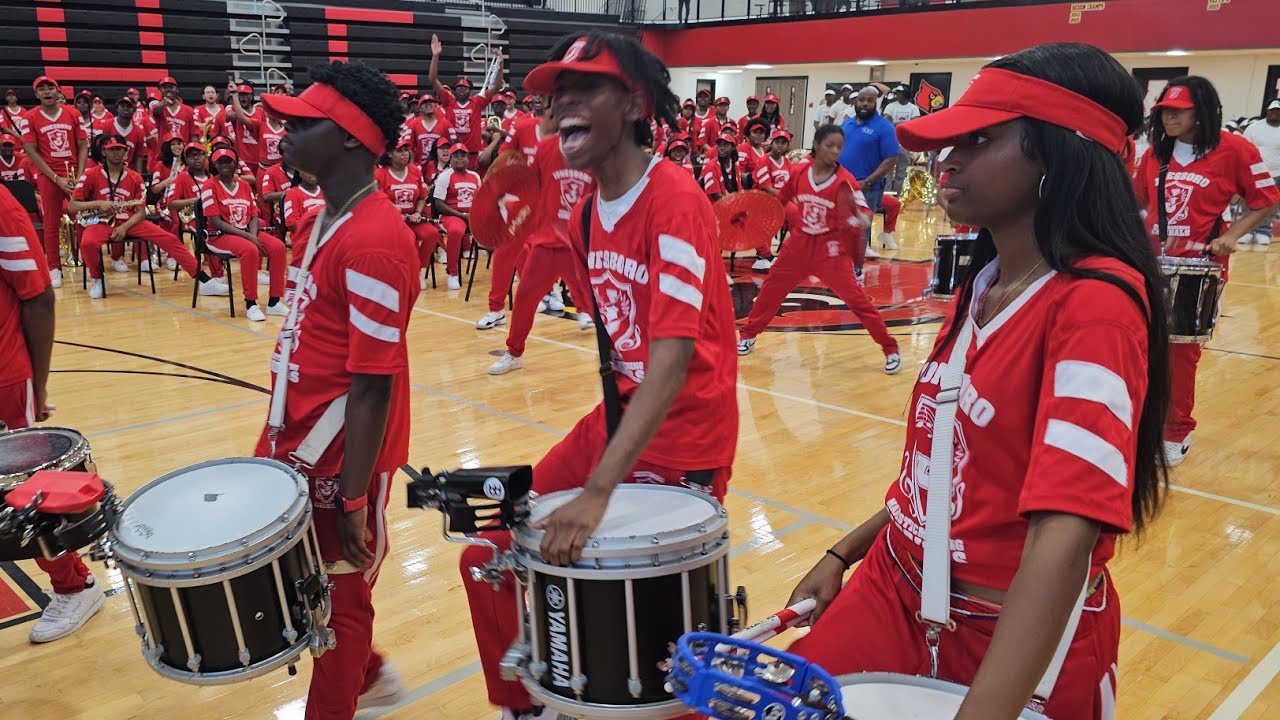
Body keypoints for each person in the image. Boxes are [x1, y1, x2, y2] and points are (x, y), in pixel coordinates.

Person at [781, 43, 1174, 720]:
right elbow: (947, 472)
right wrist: (844, 551)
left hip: (1008, 639)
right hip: (892, 586)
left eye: (980, 138)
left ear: (1058, 153)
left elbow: (1066, 530)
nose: (946, 157)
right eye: (949, 140)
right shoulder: (986, 282)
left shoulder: (1096, 303)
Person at [460, 31, 738, 720]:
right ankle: (521, 704)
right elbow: (620, 345)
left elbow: (670, 361)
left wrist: (597, 490)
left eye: (585, 89)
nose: (562, 105)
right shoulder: (586, 214)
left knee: (658, 637)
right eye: (558, 94)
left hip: (687, 437)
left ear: (635, 102)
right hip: (617, 420)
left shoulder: (673, 200)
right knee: (487, 552)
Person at [255, 58, 419, 720]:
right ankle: (371, 674)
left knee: (340, 604)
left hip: (342, 455)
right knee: (299, 579)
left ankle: (349, 688)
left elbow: (373, 384)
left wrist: (354, 495)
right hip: (294, 435)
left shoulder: (377, 239)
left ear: (351, 137)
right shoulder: (320, 217)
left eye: (302, 123)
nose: (282, 132)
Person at [1134, 77, 1280, 466]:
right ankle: (1142, 424)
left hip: (1199, 271)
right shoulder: (1154, 155)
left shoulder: (1235, 149)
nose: (1169, 117)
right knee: (1139, 348)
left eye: (1178, 111)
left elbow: (1266, 200)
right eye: (1164, 110)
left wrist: (1232, 235)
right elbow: (1137, 202)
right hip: (1150, 267)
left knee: (1181, 355)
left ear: (1202, 112)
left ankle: (1175, 431)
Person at [0, 183, 108, 643]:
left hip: (4, 373)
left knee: (23, 491)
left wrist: (37, 385)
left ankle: (75, 585)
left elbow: (40, 296)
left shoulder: (2, 207)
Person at [736, 124, 901, 371]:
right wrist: (757, 218)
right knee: (771, 289)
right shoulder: (800, 172)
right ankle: (748, 335)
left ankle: (890, 348)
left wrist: (861, 218)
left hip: (830, 248)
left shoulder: (845, 181)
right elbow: (779, 201)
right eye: (829, 145)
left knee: (856, 300)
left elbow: (864, 211)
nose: (835, 151)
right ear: (816, 145)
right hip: (800, 244)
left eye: (839, 147)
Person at [485, 132, 596, 375]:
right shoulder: (547, 147)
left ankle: (620, 357)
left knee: (599, 304)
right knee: (524, 298)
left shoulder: (597, 148)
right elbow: (529, 184)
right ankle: (514, 354)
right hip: (546, 242)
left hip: (577, 243)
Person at [70, 135, 226, 299]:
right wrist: (97, 203)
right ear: (104, 152)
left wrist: (124, 227)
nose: (116, 153)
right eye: (112, 149)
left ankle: (205, 281)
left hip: (130, 222)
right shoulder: (90, 174)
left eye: (120, 149)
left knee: (170, 239)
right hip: (101, 222)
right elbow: (74, 206)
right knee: (87, 243)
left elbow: (141, 212)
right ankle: (97, 279)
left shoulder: (135, 177)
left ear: (126, 152)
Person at [200, 147, 288, 321]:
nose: (224, 165)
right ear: (214, 165)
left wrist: (253, 235)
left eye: (228, 161)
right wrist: (249, 238)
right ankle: (251, 303)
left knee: (278, 247)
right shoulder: (209, 186)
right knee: (250, 250)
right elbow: (216, 221)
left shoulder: (245, 185)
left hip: (246, 233)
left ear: (235, 163)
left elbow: (253, 216)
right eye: (220, 161)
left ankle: (274, 302)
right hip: (218, 235)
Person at [21, 74, 88, 288]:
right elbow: (31, 151)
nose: (47, 92)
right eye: (42, 89)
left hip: (73, 174)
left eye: (51, 87)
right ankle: (54, 268)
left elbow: (83, 145)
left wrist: (80, 174)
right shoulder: (29, 117)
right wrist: (56, 178)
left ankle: (89, 262)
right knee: (51, 223)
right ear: (36, 94)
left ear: (58, 91)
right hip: (49, 176)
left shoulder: (73, 113)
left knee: (83, 219)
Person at [839, 84, 899, 276]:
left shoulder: (884, 127)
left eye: (869, 100)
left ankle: (855, 270)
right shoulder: (846, 124)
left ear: (876, 103)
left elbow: (891, 159)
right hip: (840, 185)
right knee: (838, 226)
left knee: (860, 229)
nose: (865, 104)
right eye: (861, 100)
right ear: (855, 101)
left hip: (868, 188)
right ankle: (836, 267)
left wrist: (868, 181)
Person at [429, 34, 504, 156]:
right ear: (454, 91)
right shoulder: (449, 100)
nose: (462, 90)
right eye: (459, 88)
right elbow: (433, 79)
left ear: (470, 90)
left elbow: (496, 87)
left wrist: (501, 65)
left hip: (472, 154)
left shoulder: (477, 102)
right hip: (452, 153)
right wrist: (435, 56)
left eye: (465, 88)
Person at [375, 139, 436, 289]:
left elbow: (422, 196)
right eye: (400, 151)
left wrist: (417, 212)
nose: (405, 154)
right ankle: (411, 272)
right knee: (409, 238)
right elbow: (379, 201)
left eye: (406, 150)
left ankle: (417, 269)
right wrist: (394, 213)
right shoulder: (380, 174)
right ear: (389, 154)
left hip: (413, 217)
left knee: (432, 234)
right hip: (392, 220)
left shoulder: (415, 170)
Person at [432, 143, 481, 289]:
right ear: (450, 159)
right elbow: (438, 204)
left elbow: (481, 200)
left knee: (497, 229)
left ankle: (509, 269)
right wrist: (461, 215)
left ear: (468, 158)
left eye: (463, 155)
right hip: (451, 215)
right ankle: (452, 273)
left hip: (472, 215)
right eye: (456, 156)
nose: (460, 158)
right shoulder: (444, 176)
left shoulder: (475, 176)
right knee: (456, 231)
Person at [1242, 99, 1280, 245]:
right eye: (1272, 110)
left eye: (1278, 111)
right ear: (1267, 111)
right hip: (1254, 171)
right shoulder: (1254, 127)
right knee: (1250, 202)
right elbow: (1244, 148)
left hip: (1277, 172)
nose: (1274, 113)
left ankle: (1263, 231)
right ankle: (1247, 231)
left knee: (1271, 203)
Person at [883, 85, 922, 193]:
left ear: (906, 93)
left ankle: (897, 195)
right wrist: (905, 123)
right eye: (897, 92)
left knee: (902, 171)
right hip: (891, 141)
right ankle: (886, 195)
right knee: (888, 170)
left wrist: (897, 123)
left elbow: (915, 123)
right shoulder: (890, 106)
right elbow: (886, 122)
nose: (897, 95)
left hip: (905, 143)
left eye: (900, 92)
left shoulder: (913, 108)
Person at [400, 92, 455, 167]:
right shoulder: (412, 125)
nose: (428, 105)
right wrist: (412, 168)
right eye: (425, 103)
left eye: (430, 103)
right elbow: (409, 148)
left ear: (435, 106)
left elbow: (453, 145)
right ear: (420, 108)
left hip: (441, 166)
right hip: (420, 166)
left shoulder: (446, 124)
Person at [282, 169, 326, 234]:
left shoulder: (326, 191)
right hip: (305, 237)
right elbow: (292, 223)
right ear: (300, 172)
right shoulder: (292, 194)